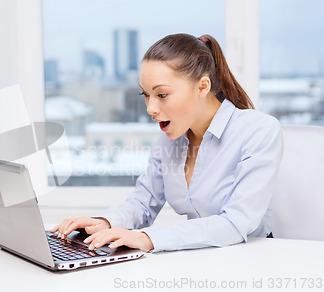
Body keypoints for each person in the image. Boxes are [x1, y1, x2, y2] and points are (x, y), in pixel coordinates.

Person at [50, 33, 284, 253]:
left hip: (253, 258)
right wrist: (103, 222)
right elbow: (143, 203)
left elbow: (235, 223)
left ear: (203, 86)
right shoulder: (169, 141)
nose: (150, 108)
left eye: (161, 95)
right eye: (146, 95)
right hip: (201, 255)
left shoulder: (258, 131)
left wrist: (148, 239)